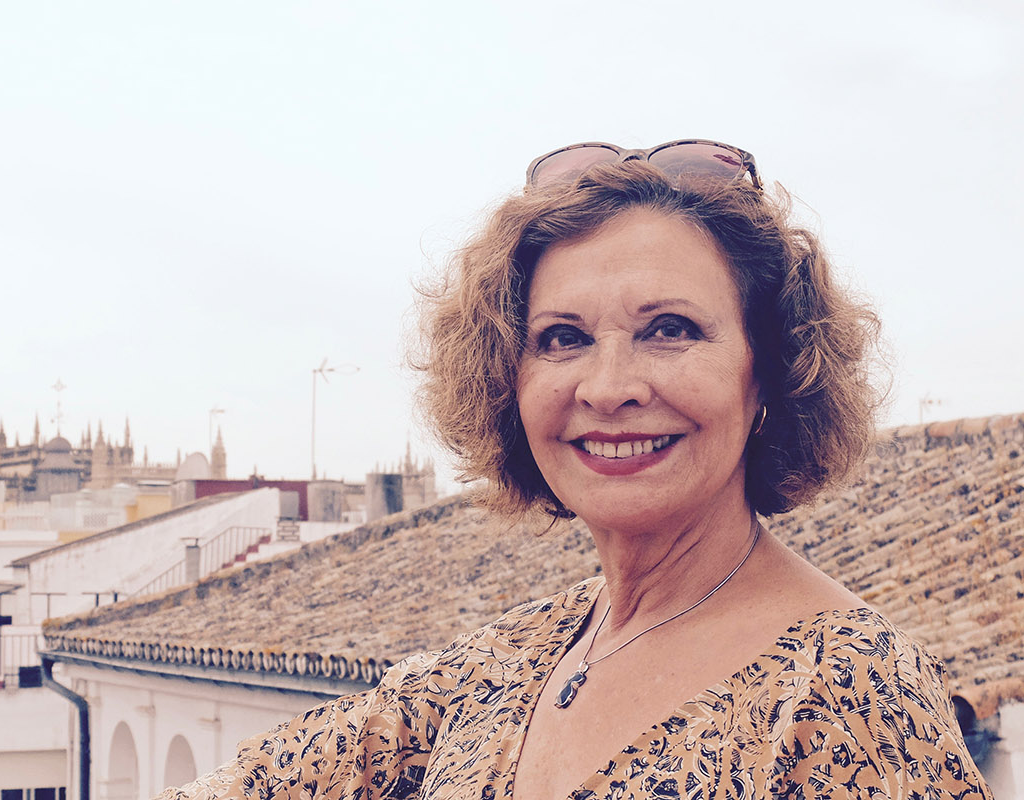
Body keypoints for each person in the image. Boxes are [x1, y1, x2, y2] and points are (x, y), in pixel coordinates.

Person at [161, 142, 992, 799]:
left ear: (769, 370)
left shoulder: (850, 696)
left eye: (670, 328)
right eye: (562, 338)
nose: (609, 387)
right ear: (508, 382)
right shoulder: (503, 666)